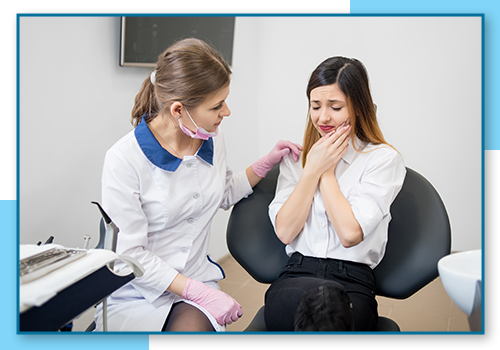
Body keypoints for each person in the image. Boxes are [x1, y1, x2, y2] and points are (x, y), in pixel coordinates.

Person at [94, 38, 301, 332]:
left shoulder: (210, 137)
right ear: (179, 110)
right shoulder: (124, 159)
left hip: (193, 279)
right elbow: (132, 256)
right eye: (217, 105)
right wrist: (198, 292)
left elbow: (224, 191)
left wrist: (265, 163)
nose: (226, 111)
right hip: (137, 291)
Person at [264, 56, 406, 331]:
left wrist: (325, 172)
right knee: (320, 305)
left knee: (330, 309)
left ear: (359, 107)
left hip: (352, 283)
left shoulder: (383, 159)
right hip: (295, 278)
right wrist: (310, 170)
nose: (323, 117)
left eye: (336, 107)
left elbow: (350, 233)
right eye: (315, 106)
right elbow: (285, 231)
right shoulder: (297, 161)